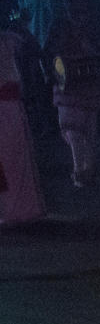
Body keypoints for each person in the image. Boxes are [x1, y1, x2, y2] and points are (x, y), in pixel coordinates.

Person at [45, 0, 100, 189]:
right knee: (73, 128)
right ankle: (81, 169)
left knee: (86, 127)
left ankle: (85, 170)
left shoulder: (93, 24)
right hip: (68, 81)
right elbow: (50, 51)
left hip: (87, 80)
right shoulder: (60, 24)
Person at [0, 22, 45, 223]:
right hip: (9, 106)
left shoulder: (11, 39)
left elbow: (32, 51)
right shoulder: (11, 40)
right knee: (11, 160)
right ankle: (13, 209)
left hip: (8, 107)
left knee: (11, 160)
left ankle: (14, 210)